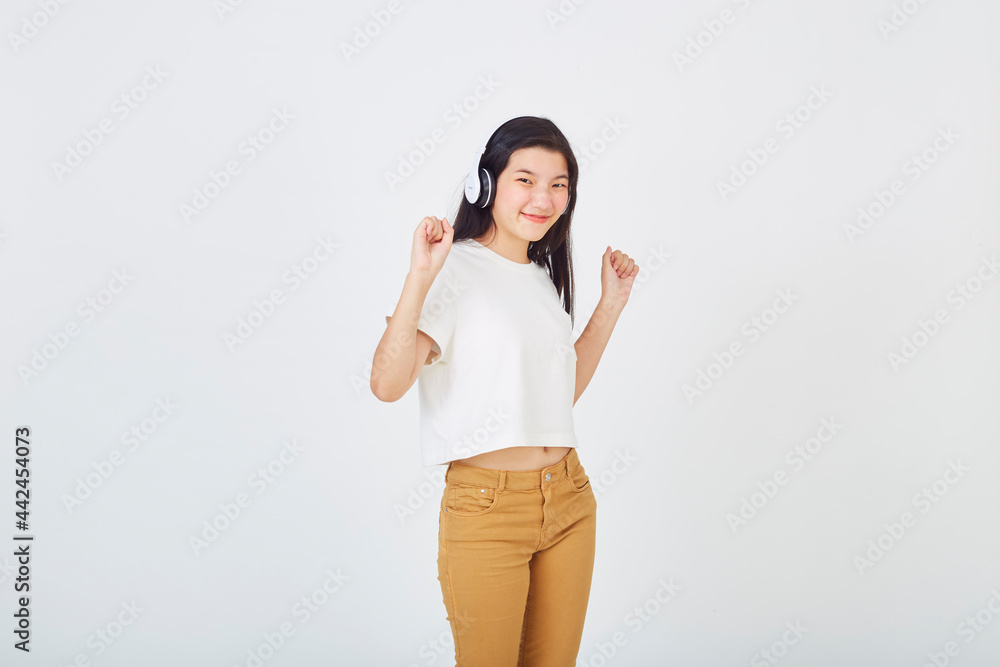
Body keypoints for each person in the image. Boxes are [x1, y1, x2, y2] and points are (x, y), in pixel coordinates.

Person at [371, 116, 638, 666]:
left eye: (559, 184)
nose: (544, 198)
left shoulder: (539, 277)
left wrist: (610, 305)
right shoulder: (452, 268)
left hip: (568, 497)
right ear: (486, 183)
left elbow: (554, 400)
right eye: (526, 180)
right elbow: (386, 385)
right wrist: (419, 276)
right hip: (487, 507)